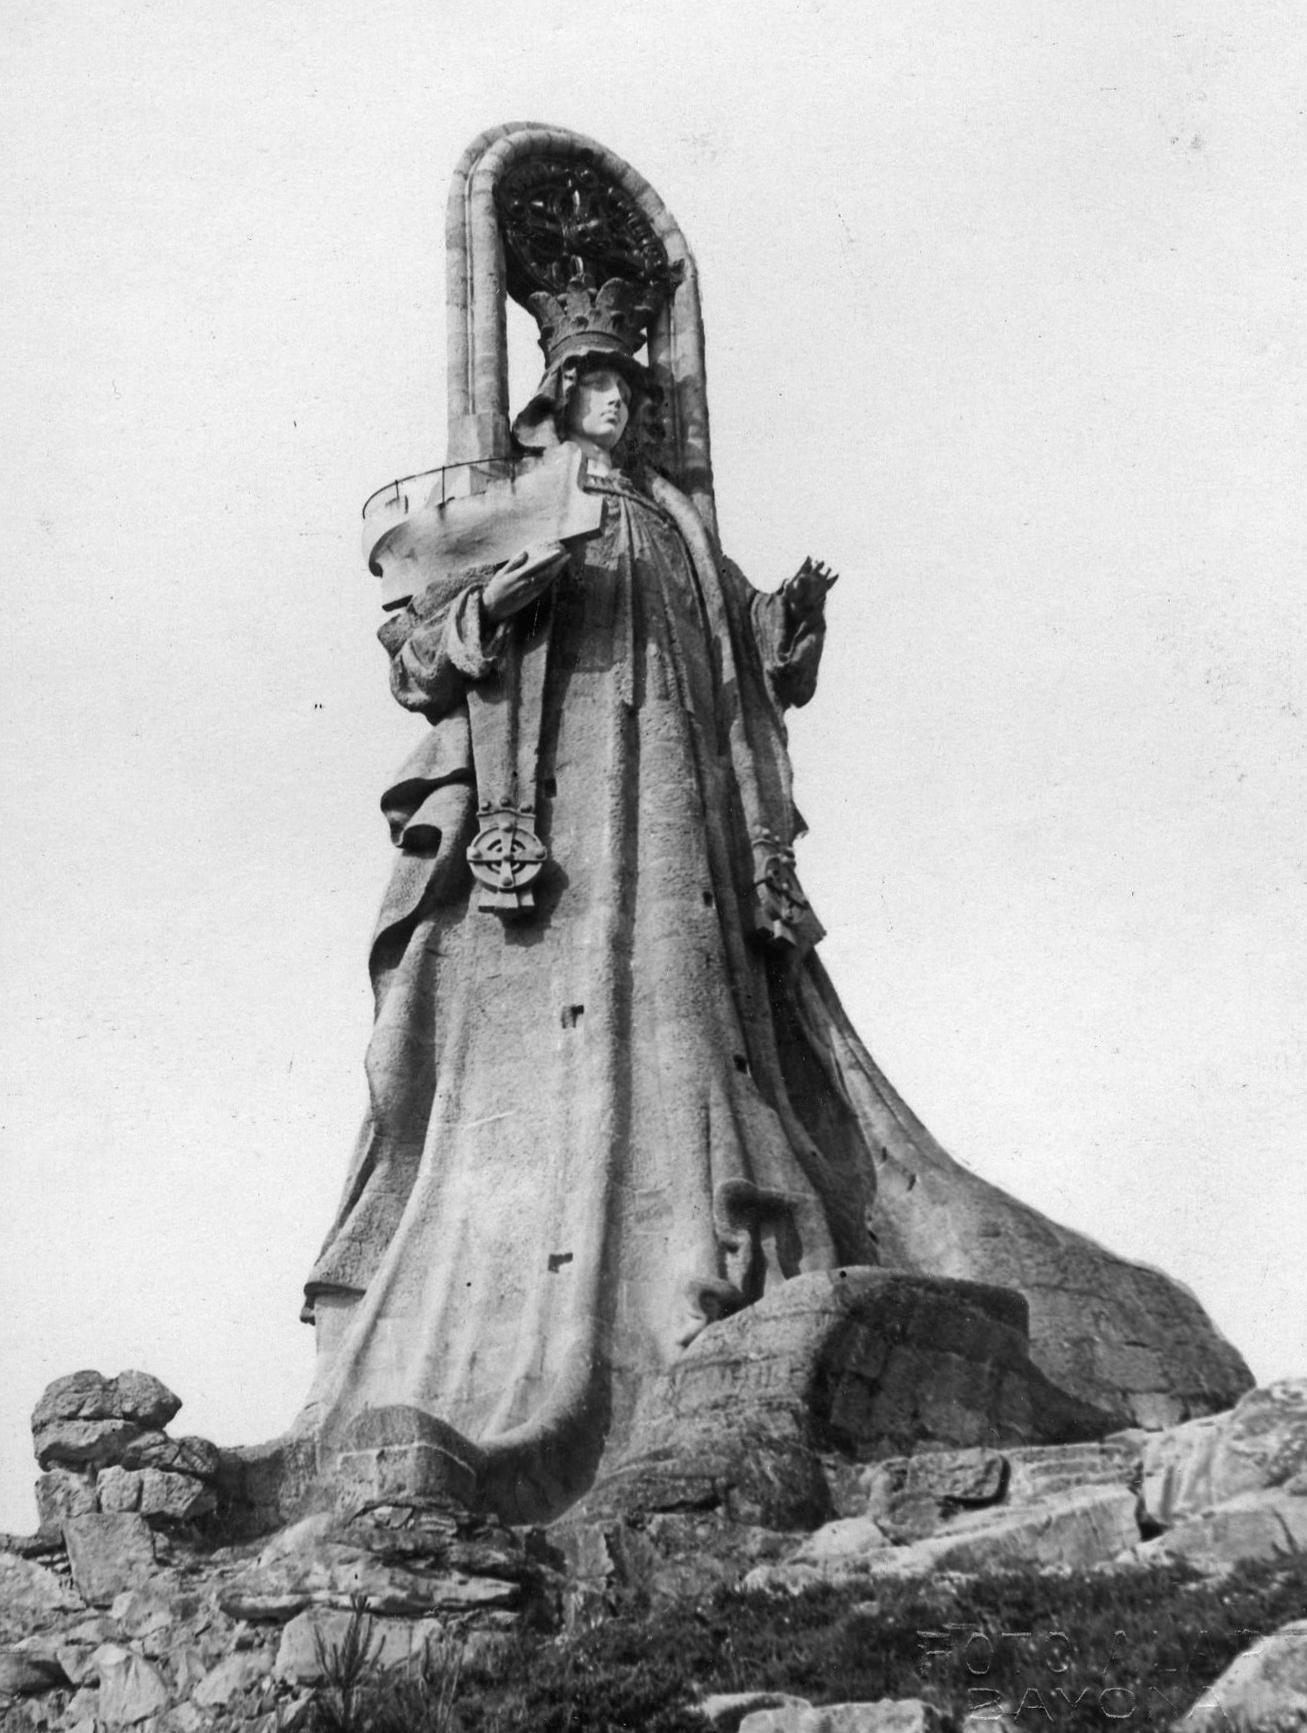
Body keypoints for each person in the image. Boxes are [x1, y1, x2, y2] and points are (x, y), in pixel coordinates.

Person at [300, 284, 876, 1519]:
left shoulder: (672, 520)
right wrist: (503, 595)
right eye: (597, 385)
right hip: (556, 805)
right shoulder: (518, 498)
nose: (616, 402)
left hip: (675, 807)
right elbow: (421, 648)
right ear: (559, 397)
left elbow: (748, 658)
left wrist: (787, 619)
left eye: (628, 386)